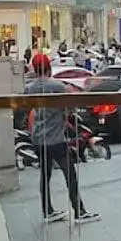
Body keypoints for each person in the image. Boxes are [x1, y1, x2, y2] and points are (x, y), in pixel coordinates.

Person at [26, 54, 99, 225]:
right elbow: (70, 106)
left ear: (35, 70)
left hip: (38, 138)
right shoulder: (58, 86)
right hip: (56, 138)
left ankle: (48, 210)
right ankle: (79, 211)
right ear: (49, 67)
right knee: (70, 174)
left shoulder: (30, 88)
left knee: (45, 175)